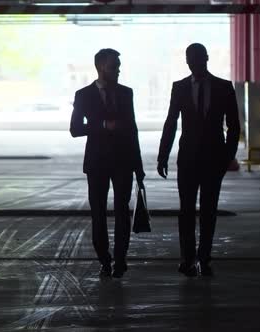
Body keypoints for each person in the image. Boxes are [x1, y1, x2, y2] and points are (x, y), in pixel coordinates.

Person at [157, 43, 240, 277]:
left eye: (197, 58)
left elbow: (234, 127)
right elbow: (171, 122)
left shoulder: (224, 88)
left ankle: (204, 258)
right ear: (186, 61)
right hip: (187, 160)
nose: (193, 62)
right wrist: (163, 155)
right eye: (190, 58)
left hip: (214, 159)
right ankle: (187, 259)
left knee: (208, 211)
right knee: (186, 211)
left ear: (206, 58)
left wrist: (227, 158)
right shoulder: (179, 87)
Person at [70, 48, 145, 279]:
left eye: (118, 65)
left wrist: (139, 166)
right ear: (101, 67)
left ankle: (120, 261)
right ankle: (104, 259)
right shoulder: (83, 95)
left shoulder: (126, 93)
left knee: (123, 212)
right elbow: (75, 129)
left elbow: (132, 129)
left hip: (123, 161)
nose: (118, 69)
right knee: (98, 213)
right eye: (114, 65)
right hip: (97, 162)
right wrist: (102, 126)